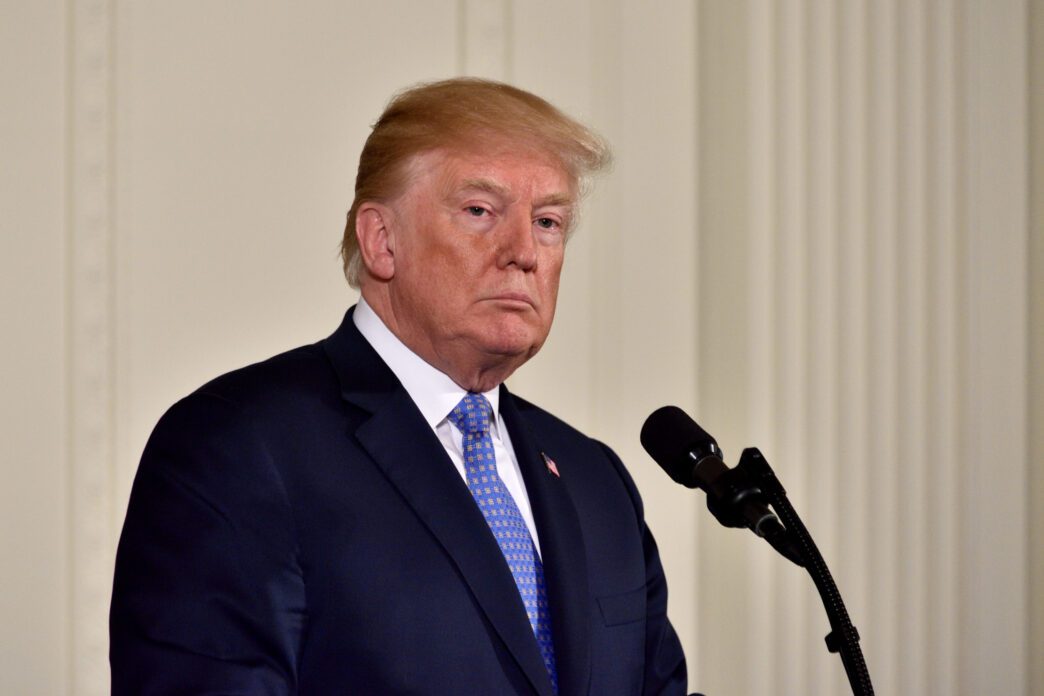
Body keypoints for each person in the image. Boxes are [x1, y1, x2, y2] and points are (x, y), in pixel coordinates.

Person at [110, 77, 689, 695]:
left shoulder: (594, 481)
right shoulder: (237, 445)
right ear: (381, 240)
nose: (525, 251)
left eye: (548, 221)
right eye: (479, 211)